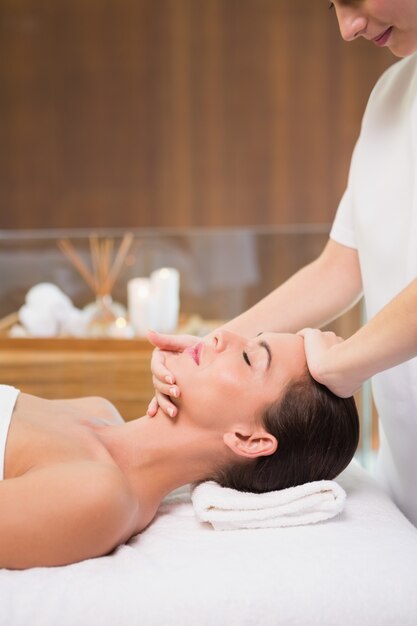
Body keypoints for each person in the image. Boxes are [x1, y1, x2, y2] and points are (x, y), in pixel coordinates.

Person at [148, 1, 417, 527]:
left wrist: (345, 364)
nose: (348, 27)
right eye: (336, 4)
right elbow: (340, 267)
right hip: (404, 482)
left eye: (358, 0)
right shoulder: (391, 96)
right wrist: (213, 347)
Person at [0, 330, 359, 569]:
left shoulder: (101, 497)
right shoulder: (97, 410)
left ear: (249, 440)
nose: (222, 334)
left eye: (249, 358)